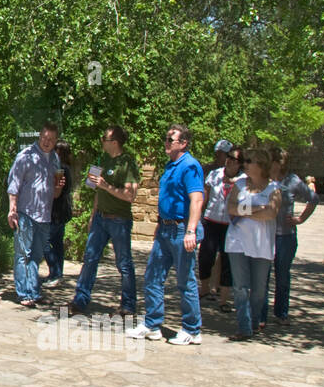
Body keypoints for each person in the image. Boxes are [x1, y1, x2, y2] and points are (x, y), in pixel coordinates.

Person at [126, 124, 205, 344]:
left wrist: (191, 230)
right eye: (166, 138)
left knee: (185, 280)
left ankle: (192, 329)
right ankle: (152, 324)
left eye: (171, 139)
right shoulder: (171, 166)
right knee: (153, 276)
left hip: (181, 229)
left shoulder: (190, 166)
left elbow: (197, 199)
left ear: (183, 143)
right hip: (165, 229)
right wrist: (159, 226)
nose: (166, 142)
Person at [69, 125, 141, 317]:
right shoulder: (101, 160)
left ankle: (128, 305)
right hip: (101, 218)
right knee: (90, 258)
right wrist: (93, 215)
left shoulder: (127, 163)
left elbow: (130, 195)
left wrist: (106, 185)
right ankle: (80, 299)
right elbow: (95, 189)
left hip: (119, 220)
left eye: (105, 138)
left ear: (114, 142)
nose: (101, 141)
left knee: (124, 263)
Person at [224, 149, 281, 340]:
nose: (245, 164)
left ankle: (254, 322)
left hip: (262, 244)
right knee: (240, 286)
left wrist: (245, 210)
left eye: (249, 161)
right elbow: (231, 208)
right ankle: (244, 327)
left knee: (258, 289)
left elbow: (271, 213)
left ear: (261, 164)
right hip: (237, 241)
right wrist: (257, 208)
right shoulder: (239, 185)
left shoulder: (274, 189)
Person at [7, 123, 65, 308]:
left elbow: (55, 194)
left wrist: (58, 187)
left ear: (55, 140)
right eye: (44, 138)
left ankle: (34, 291)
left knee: (37, 255)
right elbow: (14, 185)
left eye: (51, 139)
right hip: (26, 213)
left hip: (44, 215)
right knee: (23, 254)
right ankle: (23, 293)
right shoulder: (25, 156)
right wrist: (12, 210)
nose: (46, 142)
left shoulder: (55, 159)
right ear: (39, 136)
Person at [267, 147, 316, 326]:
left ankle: (281, 312)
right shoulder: (262, 179)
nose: (275, 165)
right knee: (262, 275)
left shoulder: (292, 180)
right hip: (264, 234)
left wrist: (300, 219)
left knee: (282, 275)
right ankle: (260, 314)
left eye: (278, 162)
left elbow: (313, 198)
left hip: (285, 236)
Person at [200, 144, 241, 309]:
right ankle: (204, 289)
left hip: (231, 225)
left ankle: (224, 300)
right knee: (205, 256)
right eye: (229, 157)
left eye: (235, 159)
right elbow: (205, 195)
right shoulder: (214, 174)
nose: (230, 161)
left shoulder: (244, 180)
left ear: (240, 163)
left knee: (227, 261)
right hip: (211, 220)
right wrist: (197, 217)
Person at [45, 142, 74, 286]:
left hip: (55, 211)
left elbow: (55, 193)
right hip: (62, 211)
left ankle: (55, 273)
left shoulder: (60, 169)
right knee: (57, 244)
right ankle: (57, 274)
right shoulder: (66, 168)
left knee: (44, 241)